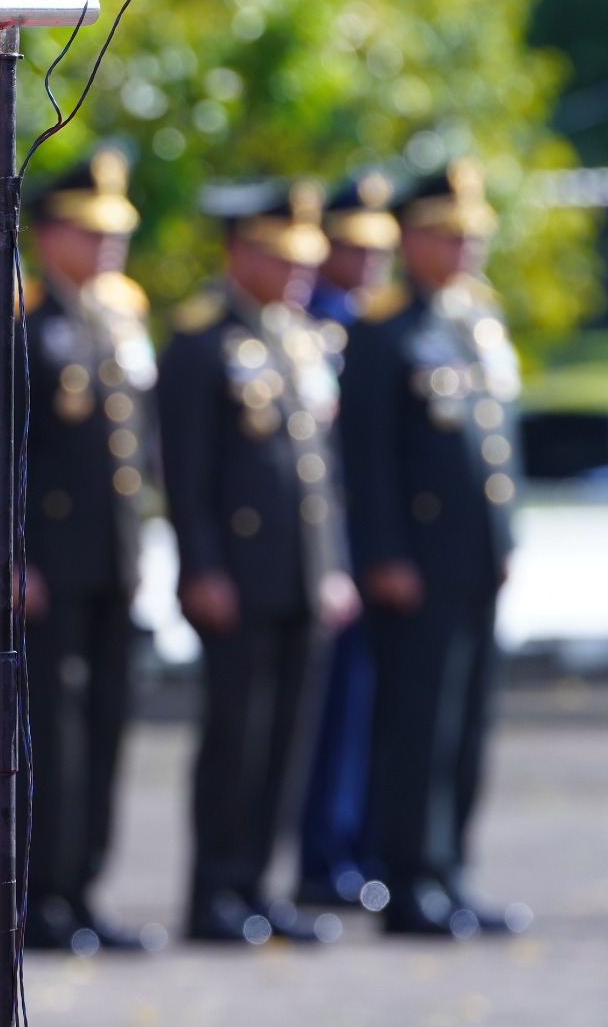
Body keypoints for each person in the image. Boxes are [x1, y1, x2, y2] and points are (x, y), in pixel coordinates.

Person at [158, 179, 357, 945]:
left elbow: (322, 472)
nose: (301, 273)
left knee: (286, 741)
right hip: (237, 575)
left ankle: (257, 885)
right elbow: (188, 472)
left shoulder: (299, 337)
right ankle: (214, 890)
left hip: (302, 571)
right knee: (235, 740)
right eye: (283, 257)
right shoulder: (202, 340)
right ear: (241, 253)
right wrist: (200, 566)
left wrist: (333, 565)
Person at [337, 160, 530, 937]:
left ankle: (452, 870)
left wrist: (508, 534)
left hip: (474, 557)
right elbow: (369, 456)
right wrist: (383, 554)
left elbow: (496, 443)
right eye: (448, 236)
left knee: (469, 724)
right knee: (417, 726)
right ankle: (409, 880)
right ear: (411, 239)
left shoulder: (471, 321)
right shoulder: (385, 332)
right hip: (415, 563)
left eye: (472, 236)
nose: (465, 250)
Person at [0, 146, 158, 956]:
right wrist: (13, 559)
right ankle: (43, 894)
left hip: (112, 563)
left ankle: (85, 887)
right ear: (51, 237)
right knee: (51, 736)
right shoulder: (21, 327)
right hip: (48, 566)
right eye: (90, 233)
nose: (108, 247)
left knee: (108, 727)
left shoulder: (117, 323)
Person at [293, 169, 399, 913]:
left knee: (369, 705)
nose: (369, 262)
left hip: (372, 533)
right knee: (329, 710)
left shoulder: (377, 325)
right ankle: (323, 852)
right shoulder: (311, 327)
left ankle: (362, 842)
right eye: (352, 247)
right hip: (326, 540)